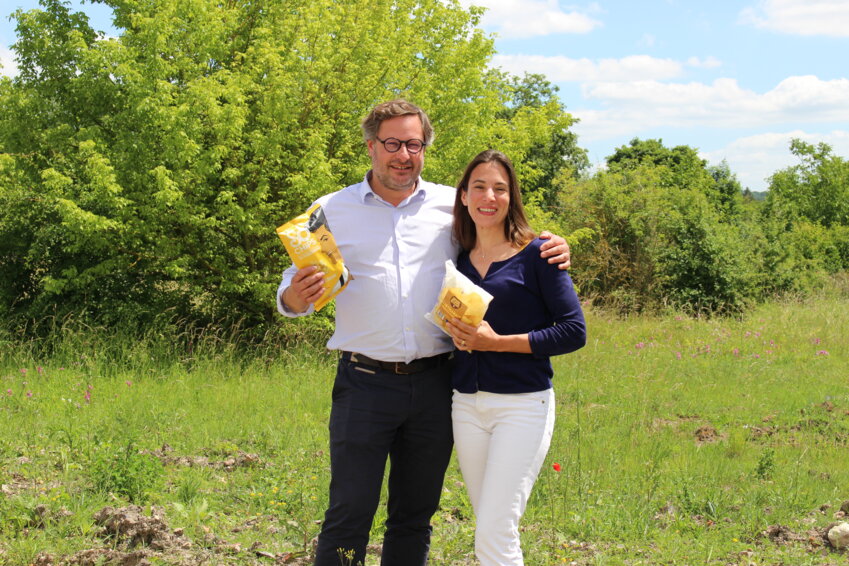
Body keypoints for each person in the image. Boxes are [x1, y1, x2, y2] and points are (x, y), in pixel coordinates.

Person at [277, 100, 571, 566]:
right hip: (363, 384)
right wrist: (295, 296)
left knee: (414, 516)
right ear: (371, 147)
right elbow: (290, 292)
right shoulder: (330, 210)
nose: (403, 155)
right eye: (392, 143)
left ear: (424, 150)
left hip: (437, 384)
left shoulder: (452, 207)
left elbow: (503, 241)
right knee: (349, 511)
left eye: (414, 145)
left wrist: (551, 244)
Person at [444, 149, 586, 566]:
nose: (489, 196)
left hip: (522, 406)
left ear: (512, 197)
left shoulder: (540, 254)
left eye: (500, 188)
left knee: (494, 530)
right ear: (464, 196)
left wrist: (497, 342)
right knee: (490, 525)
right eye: (479, 187)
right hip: (466, 405)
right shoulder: (458, 260)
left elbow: (573, 331)